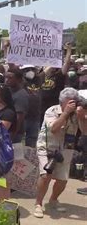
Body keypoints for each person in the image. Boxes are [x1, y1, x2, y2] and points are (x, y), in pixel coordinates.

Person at [33, 88, 87, 218]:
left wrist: (82, 118)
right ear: (63, 102)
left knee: (62, 179)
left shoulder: (76, 114)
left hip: (66, 148)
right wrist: (65, 113)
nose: (74, 105)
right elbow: (54, 129)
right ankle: (38, 204)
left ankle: (53, 199)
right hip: (47, 148)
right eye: (71, 102)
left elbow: (85, 132)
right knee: (46, 175)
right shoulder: (52, 110)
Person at [0, 85, 17, 202]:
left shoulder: (8, 113)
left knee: (2, 179)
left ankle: (3, 202)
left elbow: (0, 131)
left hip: (3, 151)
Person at [5, 69, 29, 145]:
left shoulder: (21, 95)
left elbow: (19, 118)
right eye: (6, 77)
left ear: (18, 79)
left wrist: (11, 137)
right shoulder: (8, 91)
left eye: (10, 78)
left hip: (14, 133)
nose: (7, 80)